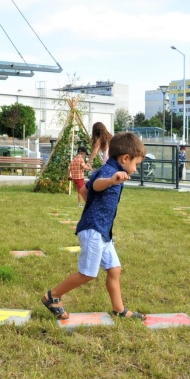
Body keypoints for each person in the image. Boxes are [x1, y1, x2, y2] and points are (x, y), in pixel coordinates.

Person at [41, 132, 146, 321]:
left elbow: (86, 190)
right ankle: (53, 296)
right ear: (125, 158)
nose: (136, 169)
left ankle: (119, 309)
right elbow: (97, 185)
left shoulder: (109, 169)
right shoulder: (110, 173)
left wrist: (92, 200)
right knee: (88, 273)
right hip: (94, 230)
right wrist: (112, 181)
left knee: (114, 269)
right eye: (136, 164)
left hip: (103, 231)